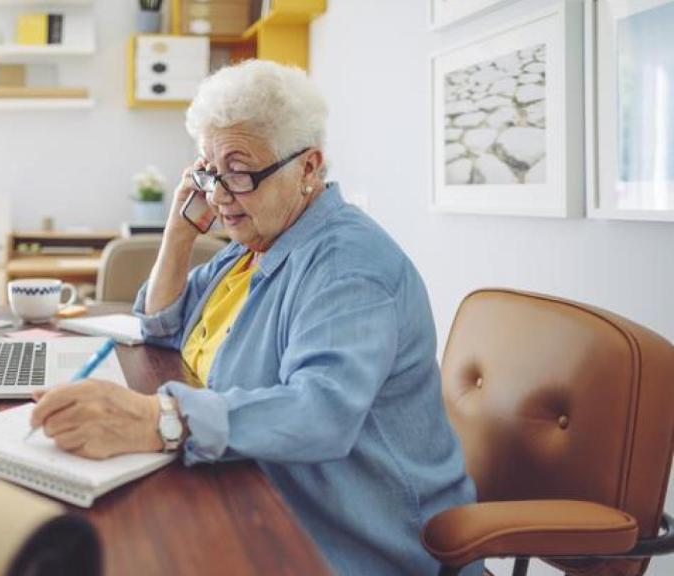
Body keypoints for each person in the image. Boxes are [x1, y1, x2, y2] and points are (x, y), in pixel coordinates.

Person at [31, 60, 480, 575]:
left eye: (240, 173)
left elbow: (321, 412)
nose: (220, 196)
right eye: (210, 172)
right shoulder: (252, 246)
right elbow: (161, 323)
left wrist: (161, 420)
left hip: (351, 538)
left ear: (309, 168)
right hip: (259, 488)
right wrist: (180, 232)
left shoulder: (348, 267)